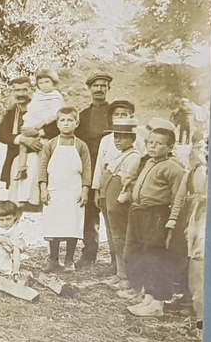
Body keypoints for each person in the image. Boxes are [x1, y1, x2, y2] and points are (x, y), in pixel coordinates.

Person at [121, 125, 185, 317]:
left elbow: (177, 198)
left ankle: (158, 302)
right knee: (142, 254)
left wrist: (172, 221)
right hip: (139, 212)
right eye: (150, 142)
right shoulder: (148, 162)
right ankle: (148, 297)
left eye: (159, 144)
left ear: (170, 147)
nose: (153, 146)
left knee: (155, 256)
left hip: (156, 215)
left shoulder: (174, 169)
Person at [38, 107, 92, 273]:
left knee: (71, 225)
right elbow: (42, 168)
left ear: (76, 123)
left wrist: (85, 190)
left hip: (73, 191)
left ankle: (69, 260)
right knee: (54, 225)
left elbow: (87, 169)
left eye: (70, 120)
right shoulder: (50, 144)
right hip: (54, 190)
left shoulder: (81, 146)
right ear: (57, 123)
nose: (66, 123)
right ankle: (53, 260)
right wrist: (43, 188)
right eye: (62, 120)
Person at [94, 118, 141, 289]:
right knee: (115, 237)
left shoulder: (133, 157)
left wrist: (118, 200)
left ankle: (128, 276)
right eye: (116, 137)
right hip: (110, 201)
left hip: (119, 203)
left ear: (132, 138)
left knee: (122, 238)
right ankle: (120, 272)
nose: (118, 140)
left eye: (123, 137)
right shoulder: (119, 155)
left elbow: (128, 184)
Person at [166, 134, 207, 331]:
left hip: (206, 218)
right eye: (198, 149)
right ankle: (186, 295)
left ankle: (199, 305)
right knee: (184, 255)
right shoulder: (190, 173)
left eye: (204, 149)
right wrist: (174, 220)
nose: (200, 153)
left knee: (201, 258)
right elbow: (180, 197)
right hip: (189, 217)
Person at [0, 77, 59, 209]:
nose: (20, 94)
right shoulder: (11, 113)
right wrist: (23, 139)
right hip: (18, 160)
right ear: (12, 92)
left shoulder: (42, 107)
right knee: (16, 204)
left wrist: (39, 132)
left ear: (32, 90)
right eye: (17, 90)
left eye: (24, 90)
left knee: (43, 201)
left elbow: (56, 126)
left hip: (41, 159)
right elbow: (2, 134)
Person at [74, 71, 114, 268]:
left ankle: (116, 259)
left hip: (111, 170)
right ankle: (89, 254)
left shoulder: (116, 114)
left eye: (103, 85)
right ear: (89, 89)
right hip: (89, 170)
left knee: (113, 213)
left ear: (108, 89)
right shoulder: (82, 116)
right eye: (95, 86)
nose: (99, 89)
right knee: (90, 214)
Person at [15, 69, 64, 181]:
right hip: (32, 122)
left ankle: (43, 173)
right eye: (41, 83)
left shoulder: (56, 97)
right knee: (23, 144)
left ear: (54, 83)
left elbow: (56, 113)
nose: (44, 86)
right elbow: (31, 108)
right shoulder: (37, 96)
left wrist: (44, 121)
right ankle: (22, 168)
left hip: (44, 124)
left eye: (47, 82)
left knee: (42, 147)